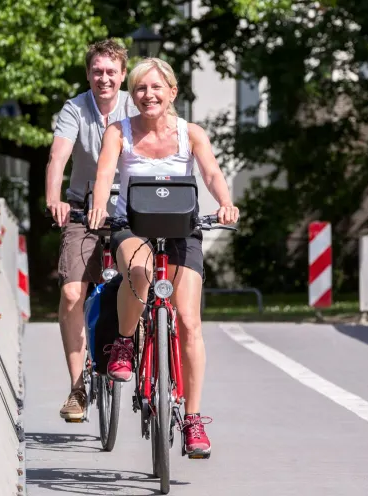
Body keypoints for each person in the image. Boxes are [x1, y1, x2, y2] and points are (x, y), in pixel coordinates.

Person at [87, 57, 239, 458]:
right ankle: (123, 343)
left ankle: (192, 420)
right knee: (138, 274)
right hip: (131, 226)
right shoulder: (118, 132)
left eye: (156, 88)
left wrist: (225, 202)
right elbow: (104, 175)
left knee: (189, 320)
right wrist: (100, 206)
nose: (148, 95)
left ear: (172, 92)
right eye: (139, 88)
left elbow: (211, 174)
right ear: (131, 95)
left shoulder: (191, 133)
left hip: (181, 230)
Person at [47, 39, 139, 421]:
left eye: (111, 72)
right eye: (97, 71)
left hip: (131, 209)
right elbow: (58, 154)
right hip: (83, 209)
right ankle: (77, 388)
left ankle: (143, 350)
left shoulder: (137, 106)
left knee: (145, 276)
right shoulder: (76, 108)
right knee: (71, 294)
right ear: (89, 74)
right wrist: (55, 197)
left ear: (122, 75)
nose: (104, 78)